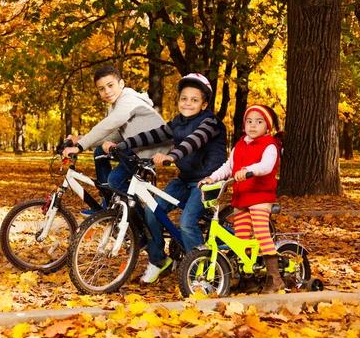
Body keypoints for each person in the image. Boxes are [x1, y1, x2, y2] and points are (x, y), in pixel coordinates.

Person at [106, 73, 227, 283]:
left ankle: (202, 274)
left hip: (208, 181)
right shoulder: (178, 123)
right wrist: (121, 146)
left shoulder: (211, 122)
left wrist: (171, 156)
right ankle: (158, 260)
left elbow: (193, 142)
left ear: (205, 104)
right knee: (152, 212)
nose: (188, 103)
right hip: (185, 178)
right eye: (184, 98)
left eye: (194, 100)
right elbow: (152, 135)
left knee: (187, 222)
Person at [202, 104, 283, 294]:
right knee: (241, 239)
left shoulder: (269, 145)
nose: (253, 125)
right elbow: (228, 167)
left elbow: (267, 166)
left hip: (260, 196)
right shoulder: (240, 144)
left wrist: (249, 170)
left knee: (262, 233)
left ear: (267, 127)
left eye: (259, 121)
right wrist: (212, 178)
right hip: (241, 197)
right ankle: (249, 279)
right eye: (249, 121)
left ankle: (275, 278)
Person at [62, 65, 171, 198]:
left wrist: (80, 146)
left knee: (115, 180)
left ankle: (137, 217)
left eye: (110, 85)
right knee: (99, 153)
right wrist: (81, 138)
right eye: (101, 89)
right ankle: (108, 202)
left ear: (121, 83)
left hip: (150, 149)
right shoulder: (115, 106)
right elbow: (115, 135)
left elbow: (108, 125)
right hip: (136, 146)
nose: (107, 91)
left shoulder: (128, 100)